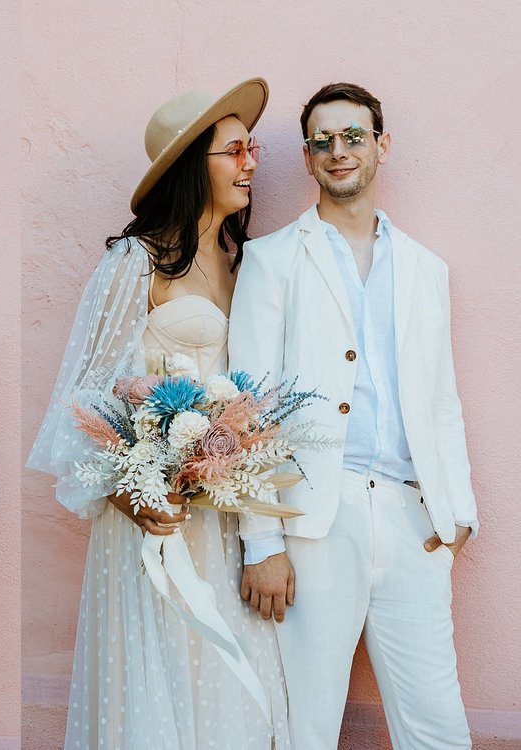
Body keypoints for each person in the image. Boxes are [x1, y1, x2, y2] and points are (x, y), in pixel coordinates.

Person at [29, 80, 290, 749]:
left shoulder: (239, 266)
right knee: (158, 693)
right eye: (235, 151)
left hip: (223, 524)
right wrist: (133, 493)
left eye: (250, 148)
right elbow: (80, 405)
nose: (251, 163)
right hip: (155, 526)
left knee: (228, 694)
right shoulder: (133, 263)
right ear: (190, 165)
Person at [230, 82, 475, 749]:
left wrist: (455, 519)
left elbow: (440, 399)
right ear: (308, 160)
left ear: (381, 146)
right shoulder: (272, 260)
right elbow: (249, 405)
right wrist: (263, 542)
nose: (340, 151)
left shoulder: (427, 270)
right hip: (313, 519)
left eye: (354, 137)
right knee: (305, 727)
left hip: (410, 516)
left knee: (440, 728)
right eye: (323, 141)